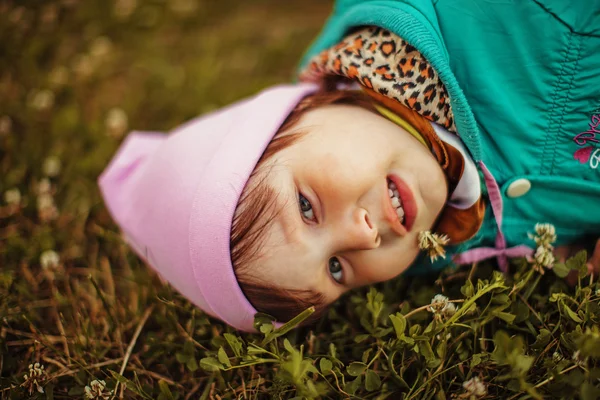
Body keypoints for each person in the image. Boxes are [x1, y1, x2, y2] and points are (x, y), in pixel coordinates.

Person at [99, 0, 600, 332]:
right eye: (336, 270)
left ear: (306, 108)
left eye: (307, 208)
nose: (363, 239)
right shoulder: (451, 248)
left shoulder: (521, 18)